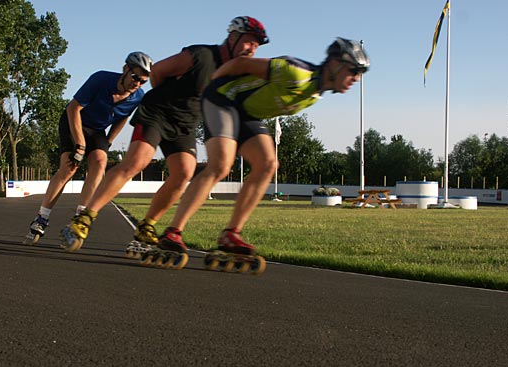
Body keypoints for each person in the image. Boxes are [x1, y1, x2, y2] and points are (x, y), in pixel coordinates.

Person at [60, 16, 269, 252]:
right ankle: (85, 218)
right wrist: (168, 98)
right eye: (249, 42)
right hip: (157, 113)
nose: (252, 49)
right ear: (233, 37)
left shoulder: (236, 73)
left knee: (184, 172)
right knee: (137, 162)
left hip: (185, 124)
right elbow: (158, 71)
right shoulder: (201, 55)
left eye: (256, 45)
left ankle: (147, 226)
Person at [157, 37, 370, 255]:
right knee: (221, 166)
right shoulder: (296, 72)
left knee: (268, 164)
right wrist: (213, 83)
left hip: (246, 113)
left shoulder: (313, 94)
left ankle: (231, 233)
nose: (356, 78)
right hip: (223, 98)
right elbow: (241, 64)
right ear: (335, 63)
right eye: (353, 70)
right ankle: (173, 231)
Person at [26, 52, 153, 243]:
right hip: (74, 121)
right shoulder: (101, 79)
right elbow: (73, 108)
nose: (137, 84)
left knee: (100, 162)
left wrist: (109, 141)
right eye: (135, 77)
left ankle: (80, 218)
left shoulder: (137, 97)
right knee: (69, 168)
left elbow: (123, 118)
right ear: (125, 69)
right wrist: (80, 145)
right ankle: (42, 217)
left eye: (143, 81)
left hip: (97, 130)